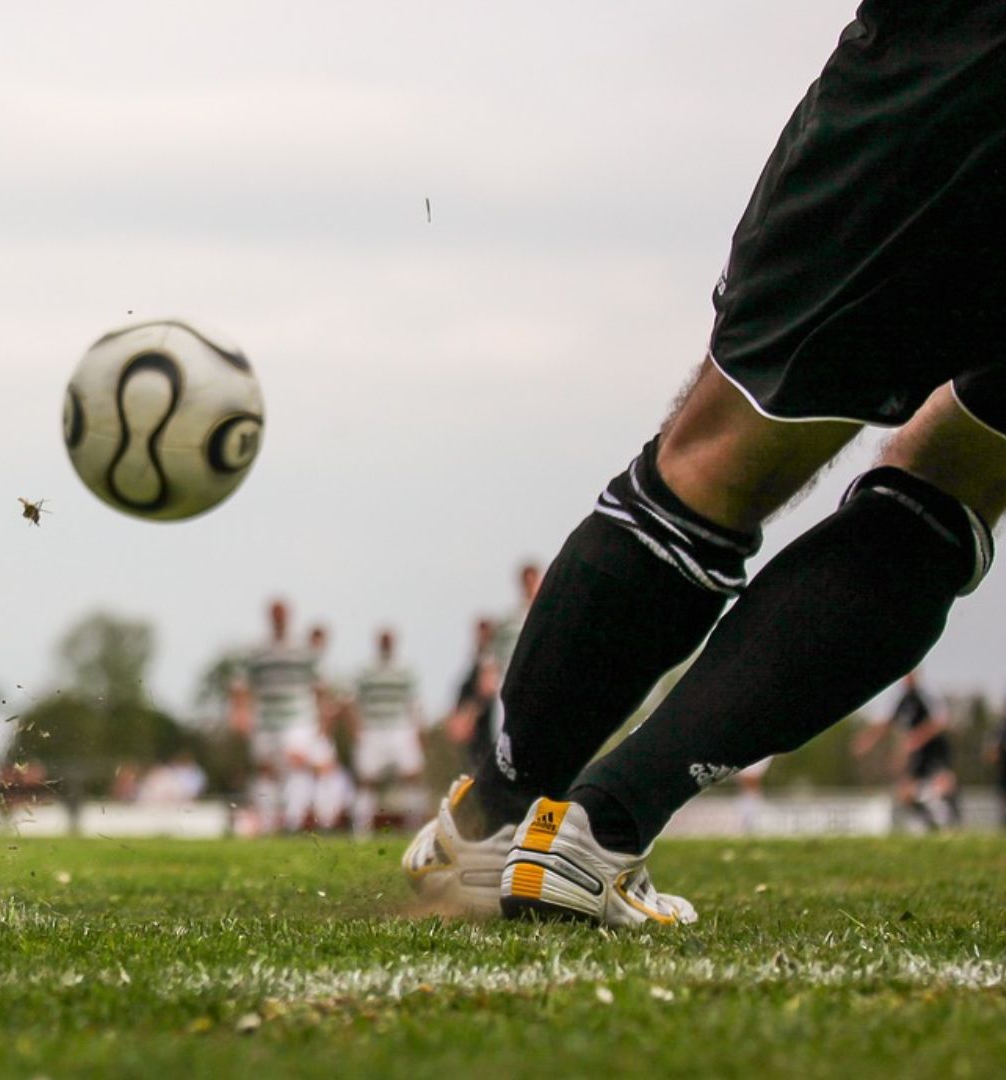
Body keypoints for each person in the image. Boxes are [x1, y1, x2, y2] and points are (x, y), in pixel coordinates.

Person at [406, 1, 1005, 925]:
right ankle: (596, 831)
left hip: (957, 49)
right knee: (960, 476)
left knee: (720, 453)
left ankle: (498, 822)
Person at [227, 599, 323, 835]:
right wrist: (240, 712)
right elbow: (241, 684)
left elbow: (319, 685)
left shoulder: (302, 650)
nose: (278, 618)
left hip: (298, 717)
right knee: (266, 769)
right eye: (274, 614)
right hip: (266, 719)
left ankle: (293, 822)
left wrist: (321, 718)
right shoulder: (257, 650)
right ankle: (269, 824)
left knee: (297, 763)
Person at [854, 670, 960, 831]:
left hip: (935, 749)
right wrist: (869, 739)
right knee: (905, 793)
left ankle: (952, 821)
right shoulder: (903, 699)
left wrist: (918, 738)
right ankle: (931, 824)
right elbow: (887, 722)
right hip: (917, 754)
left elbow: (941, 721)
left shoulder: (926, 695)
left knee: (945, 785)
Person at [351, 628, 425, 833]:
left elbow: (414, 703)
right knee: (367, 780)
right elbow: (356, 702)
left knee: (412, 776)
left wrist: (418, 730)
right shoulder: (366, 671)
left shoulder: (405, 671)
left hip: (400, 728)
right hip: (373, 729)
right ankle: (361, 830)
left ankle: (414, 827)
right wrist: (357, 729)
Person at [442, 617, 499, 773]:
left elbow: (486, 690)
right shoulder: (477, 658)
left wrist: (468, 716)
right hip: (480, 725)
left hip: (488, 721)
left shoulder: (492, 656)